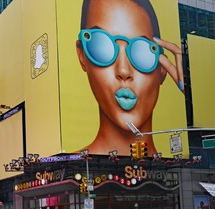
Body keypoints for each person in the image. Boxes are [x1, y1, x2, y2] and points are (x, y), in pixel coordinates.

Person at [76, 0, 184, 155]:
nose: (123, 71)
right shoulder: (70, 170)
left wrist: (192, 94)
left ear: (162, 68)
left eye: (142, 52)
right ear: (82, 56)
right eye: (102, 46)